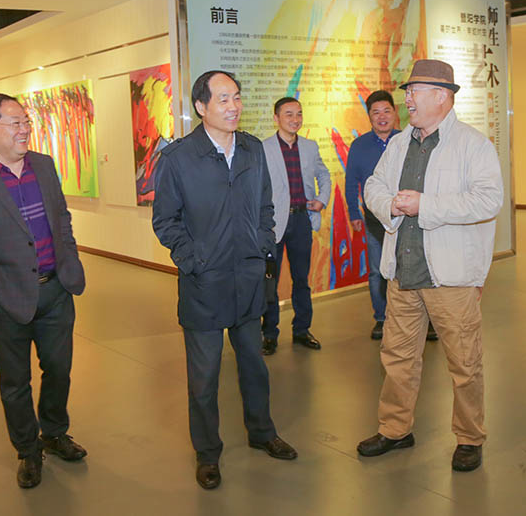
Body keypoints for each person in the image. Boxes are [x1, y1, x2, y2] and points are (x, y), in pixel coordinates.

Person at [356, 59, 504, 473]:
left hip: (450, 276)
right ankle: (395, 428)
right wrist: (390, 205)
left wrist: (427, 205)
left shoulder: (473, 145)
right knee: (397, 357)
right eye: (407, 92)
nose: (407, 99)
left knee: (464, 361)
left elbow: (488, 200)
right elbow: (374, 184)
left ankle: (470, 437)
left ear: (442, 96)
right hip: (403, 271)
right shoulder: (399, 143)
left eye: (414, 92)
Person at [152, 70, 297, 490]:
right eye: (223, 99)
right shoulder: (179, 158)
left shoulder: (252, 149)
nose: (234, 107)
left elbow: (266, 205)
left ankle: (262, 432)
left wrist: (263, 243)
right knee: (204, 377)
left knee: (254, 366)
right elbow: (165, 221)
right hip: (204, 283)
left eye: (236, 97)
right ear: (201, 107)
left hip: (249, 279)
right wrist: (194, 260)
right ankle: (207, 452)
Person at [0, 93, 88, 489]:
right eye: (15, 122)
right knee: (15, 383)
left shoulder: (43, 166)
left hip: (56, 291)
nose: (25, 128)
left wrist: (68, 260)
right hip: (9, 300)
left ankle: (55, 433)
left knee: (59, 370)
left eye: (25, 120)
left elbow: (61, 218)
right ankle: (28, 450)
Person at [260, 97, 331, 354]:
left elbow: (323, 174)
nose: (295, 119)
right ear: (276, 118)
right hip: (273, 224)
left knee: (302, 279)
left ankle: (302, 329)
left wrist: (322, 199)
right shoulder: (263, 148)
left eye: (299, 113)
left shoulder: (310, 147)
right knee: (270, 281)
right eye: (288, 114)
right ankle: (269, 334)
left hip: (301, 220)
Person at [345, 90, 401, 339]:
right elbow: (351, 182)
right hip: (374, 219)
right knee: (378, 270)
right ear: (369, 116)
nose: (382, 117)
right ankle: (381, 317)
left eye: (386, 111)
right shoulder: (359, 146)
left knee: (409, 268)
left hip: (407, 217)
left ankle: (421, 318)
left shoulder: (406, 140)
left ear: (394, 113)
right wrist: (353, 212)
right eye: (376, 112)